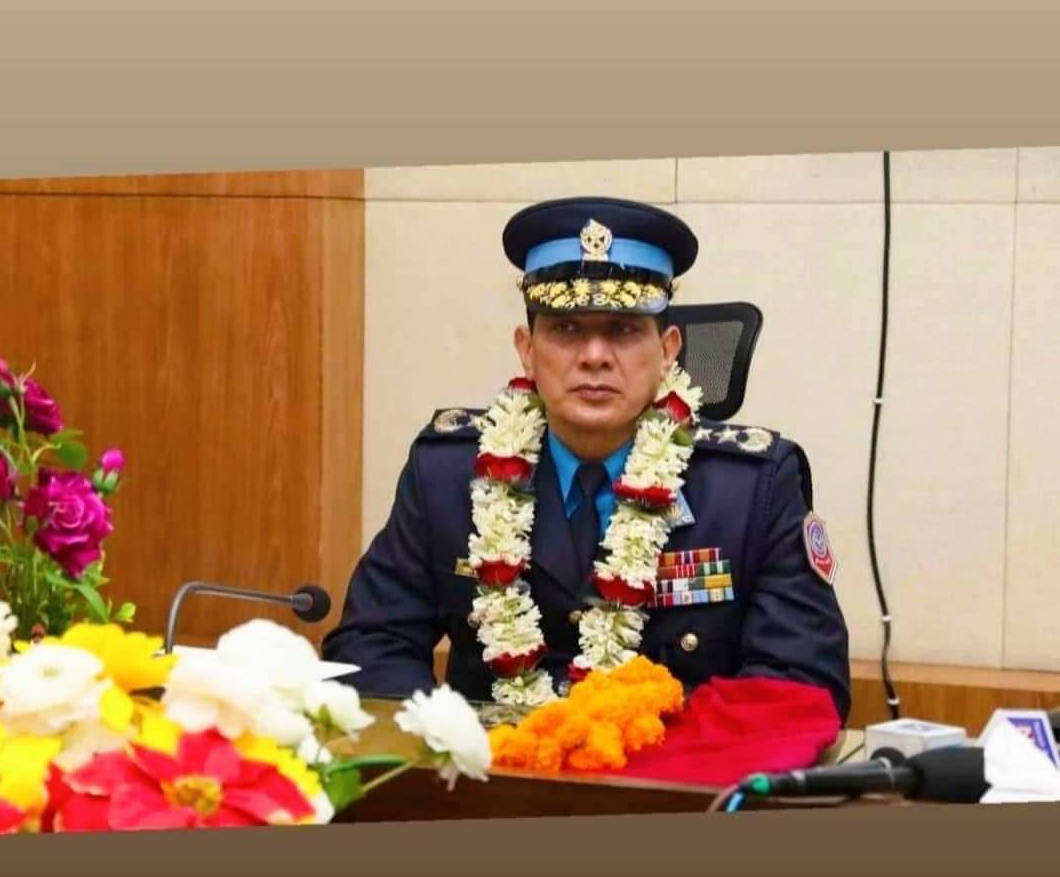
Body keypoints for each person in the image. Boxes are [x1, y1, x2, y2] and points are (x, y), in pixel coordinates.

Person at [322, 196, 851, 722]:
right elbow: (370, 648)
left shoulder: (753, 489)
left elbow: (802, 685)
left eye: (623, 330)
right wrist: (446, 741)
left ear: (668, 350)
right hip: (492, 765)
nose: (595, 356)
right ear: (527, 349)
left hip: (670, 770)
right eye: (566, 329)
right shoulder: (445, 474)